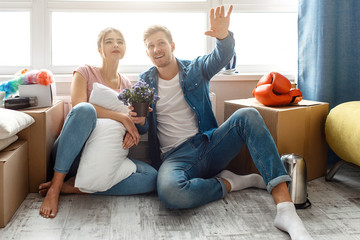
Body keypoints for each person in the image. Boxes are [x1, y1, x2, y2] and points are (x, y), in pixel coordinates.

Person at [131, 5, 313, 240]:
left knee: (248, 115)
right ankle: (230, 182)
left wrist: (223, 37)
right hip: (175, 157)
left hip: (209, 143)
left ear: (172, 45)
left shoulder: (195, 69)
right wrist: (139, 120)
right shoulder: (144, 82)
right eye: (151, 46)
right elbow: (143, 127)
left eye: (161, 43)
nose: (156, 49)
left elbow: (221, 56)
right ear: (147, 53)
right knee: (170, 193)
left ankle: (286, 210)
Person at [39, 27, 157, 219]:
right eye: (109, 41)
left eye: (120, 41)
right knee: (85, 110)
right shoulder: (84, 72)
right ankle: (56, 185)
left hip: (104, 159)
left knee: (151, 177)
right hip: (72, 155)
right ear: (100, 49)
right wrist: (122, 117)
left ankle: (74, 187)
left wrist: (134, 125)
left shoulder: (127, 84)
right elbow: (79, 106)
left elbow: (137, 124)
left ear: (125, 49)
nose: (115, 44)